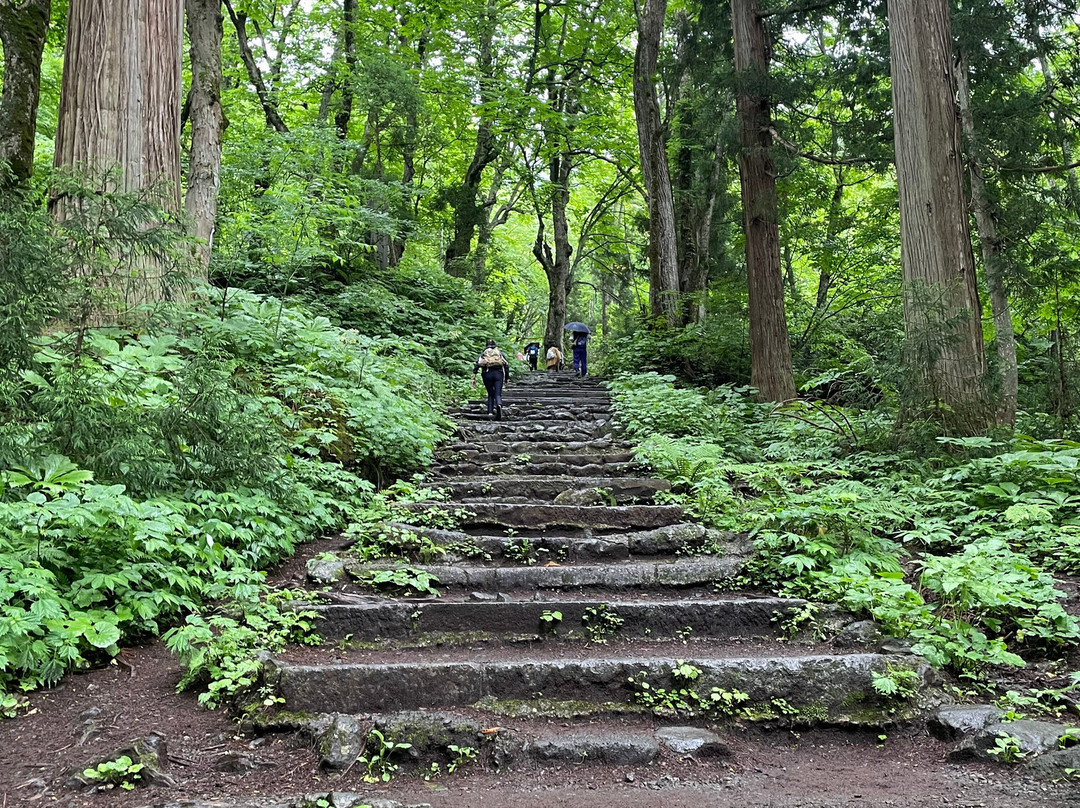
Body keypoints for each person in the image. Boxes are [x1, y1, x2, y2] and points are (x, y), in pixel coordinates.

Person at [472, 339, 510, 420]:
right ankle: (499, 404)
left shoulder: (483, 354)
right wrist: (506, 378)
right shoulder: (499, 353)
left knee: (490, 393)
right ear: (495, 345)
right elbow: (506, 366)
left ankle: (490, 412)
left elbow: (477, 365)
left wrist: (474, 377)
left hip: (486, 374)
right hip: (498, 374)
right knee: (498, 393)